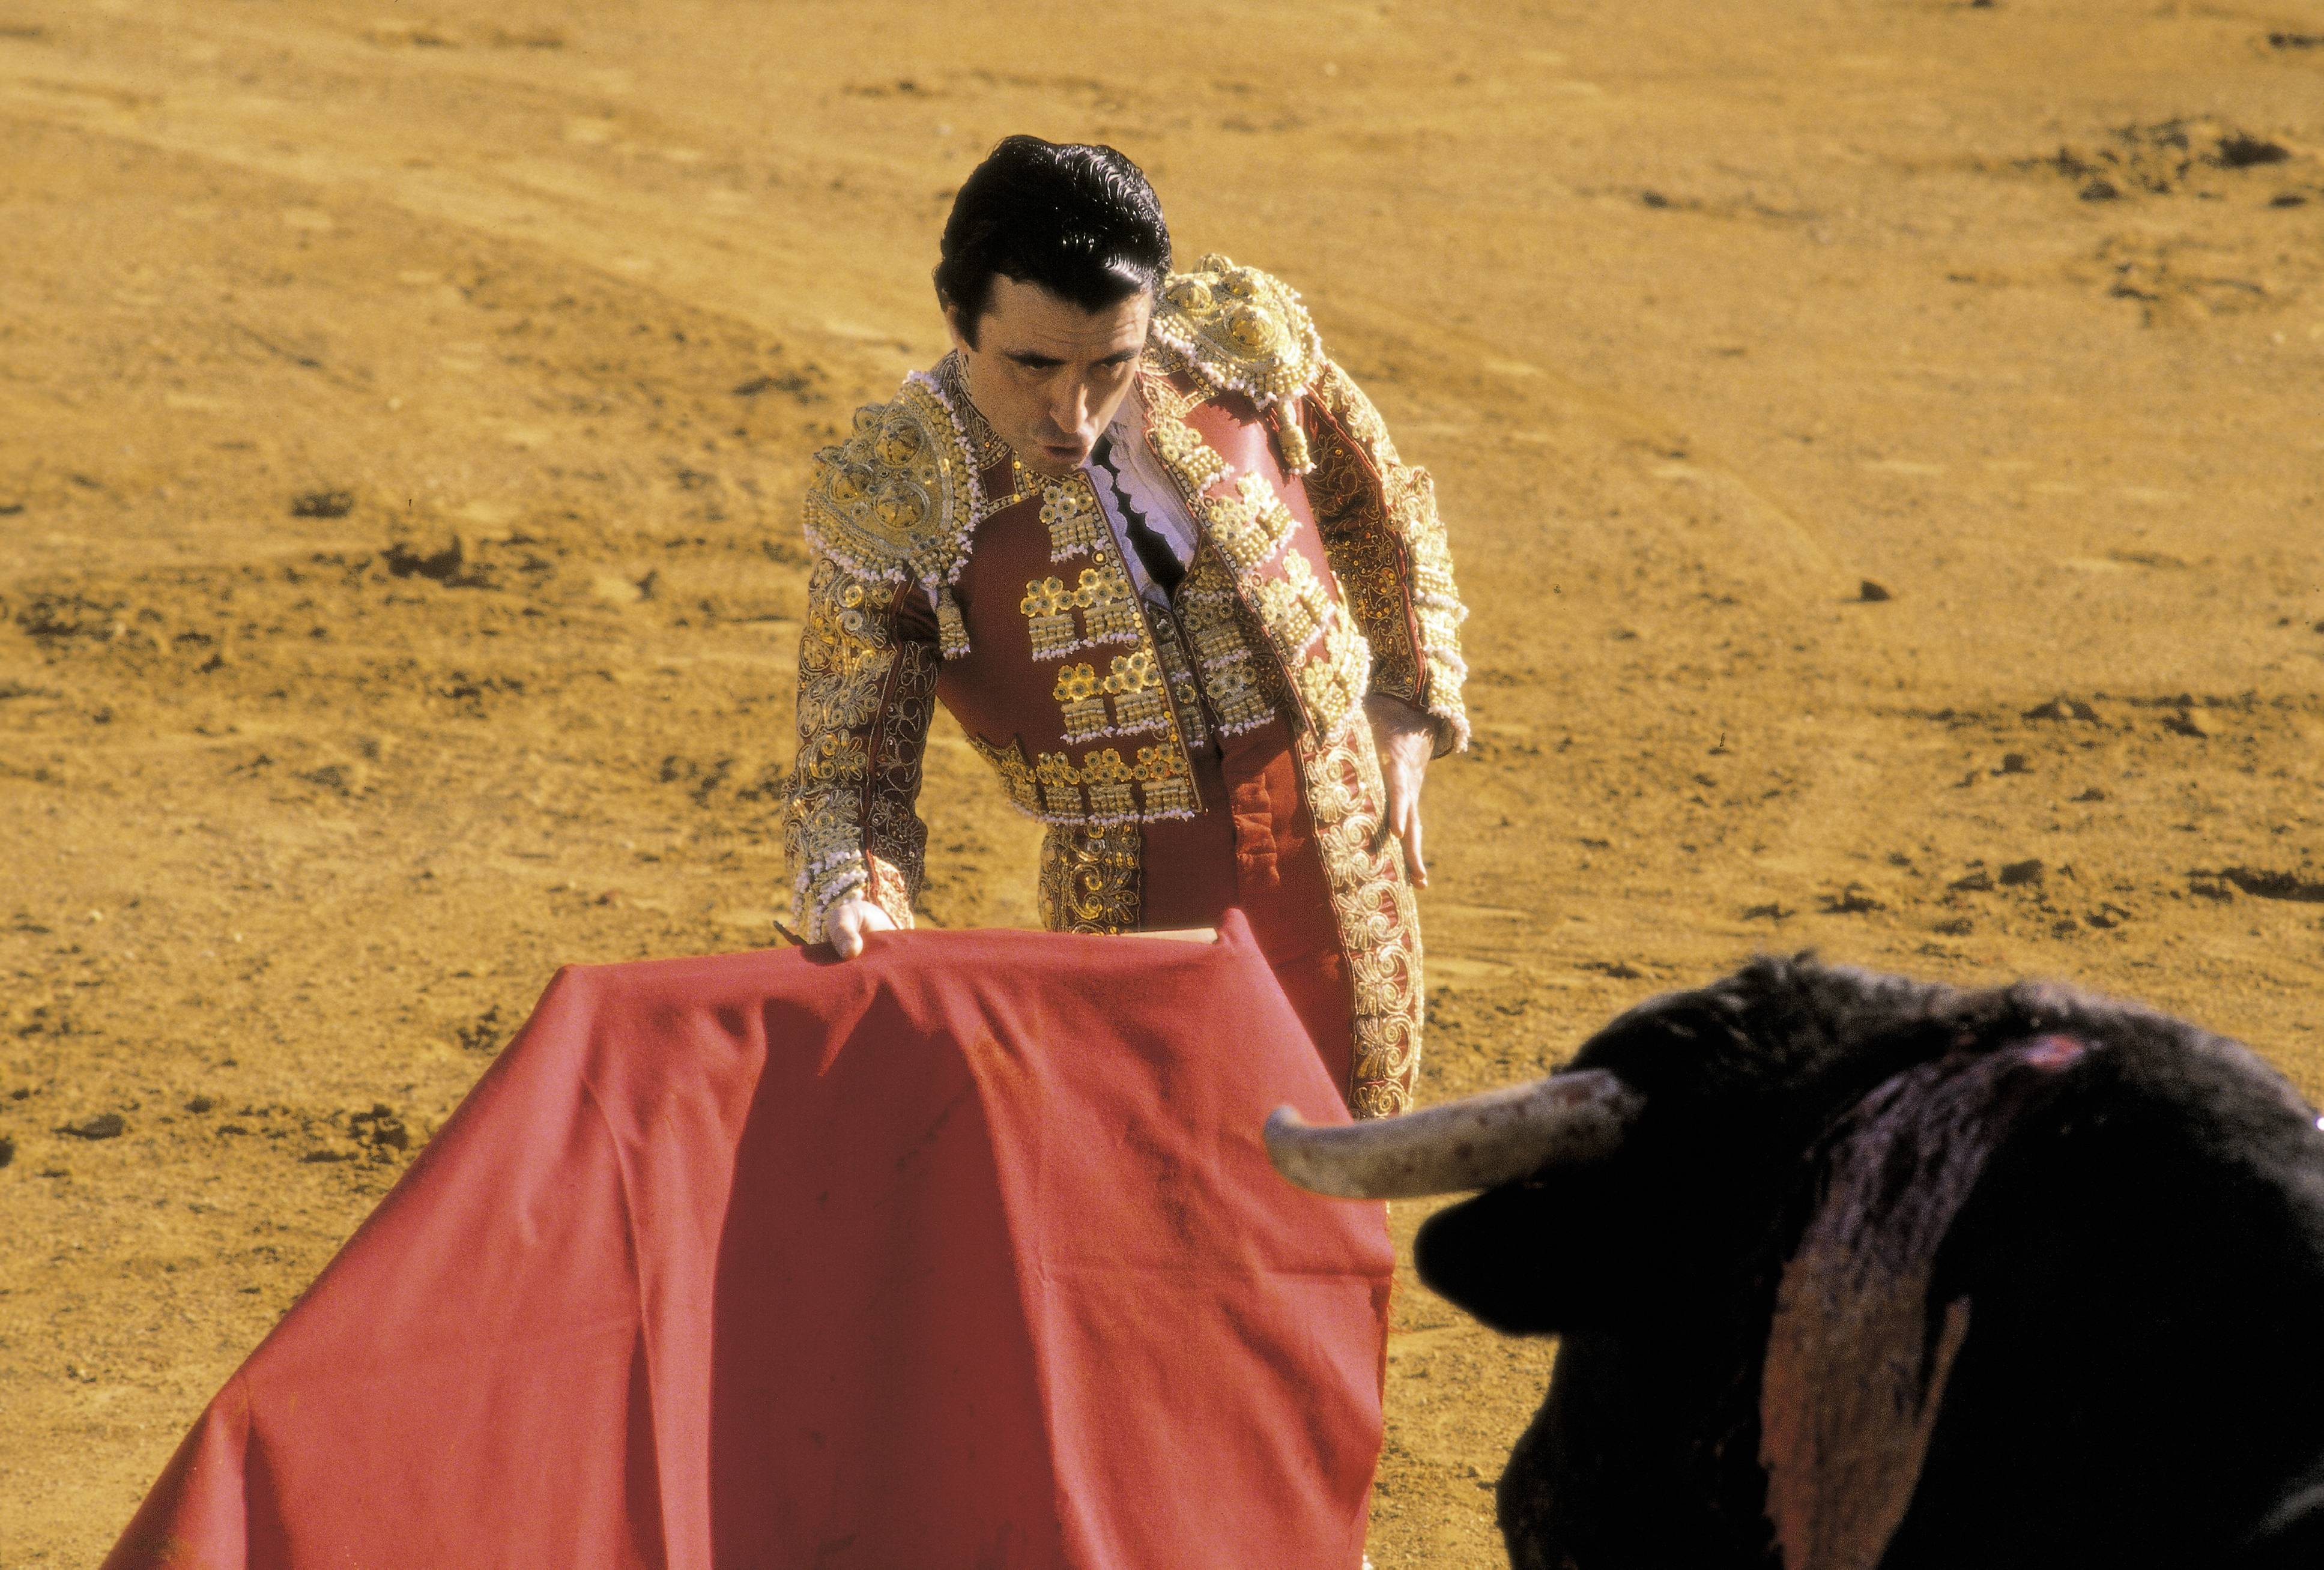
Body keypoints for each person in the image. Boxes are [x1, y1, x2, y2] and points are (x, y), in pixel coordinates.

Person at [782, 135, 1468, 1117]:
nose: (1074, 411)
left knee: (1356, 1151)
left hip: (1343, 848)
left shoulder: (1236, 344)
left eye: (1112, 361)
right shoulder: (902, 495)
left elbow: (1381, 515)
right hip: (1134, 892)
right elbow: (848, 777)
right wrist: (856, 896)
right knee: (1164, 1177)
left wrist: (1404, 699)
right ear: (957, 320)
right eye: (1031, 364)